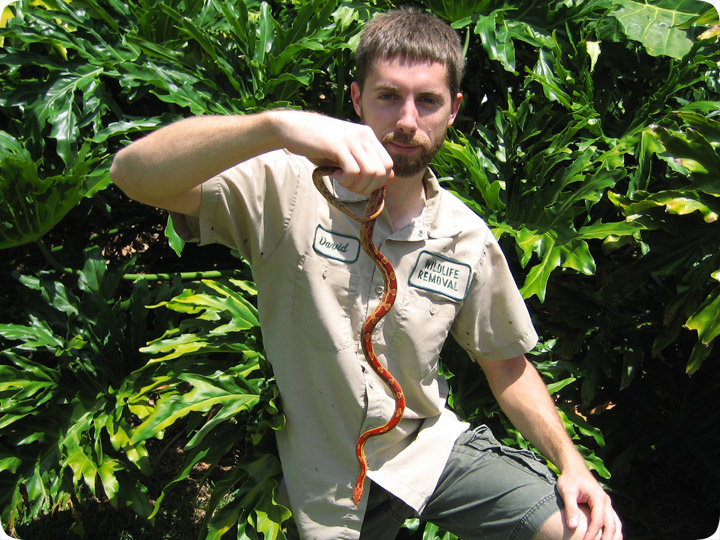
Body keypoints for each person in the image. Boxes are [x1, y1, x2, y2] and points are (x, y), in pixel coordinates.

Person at [110, 7, 622, 540]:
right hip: (322, 473)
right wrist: (274, 126)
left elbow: (506, 365)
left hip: (428, 449)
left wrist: (572, 463)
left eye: (427, 101)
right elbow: (131, 174)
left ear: (453, 111)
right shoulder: (284, 186)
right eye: (387, 95)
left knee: (583, 531)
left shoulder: (464, 236)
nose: (406, 120)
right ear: (355, 99)